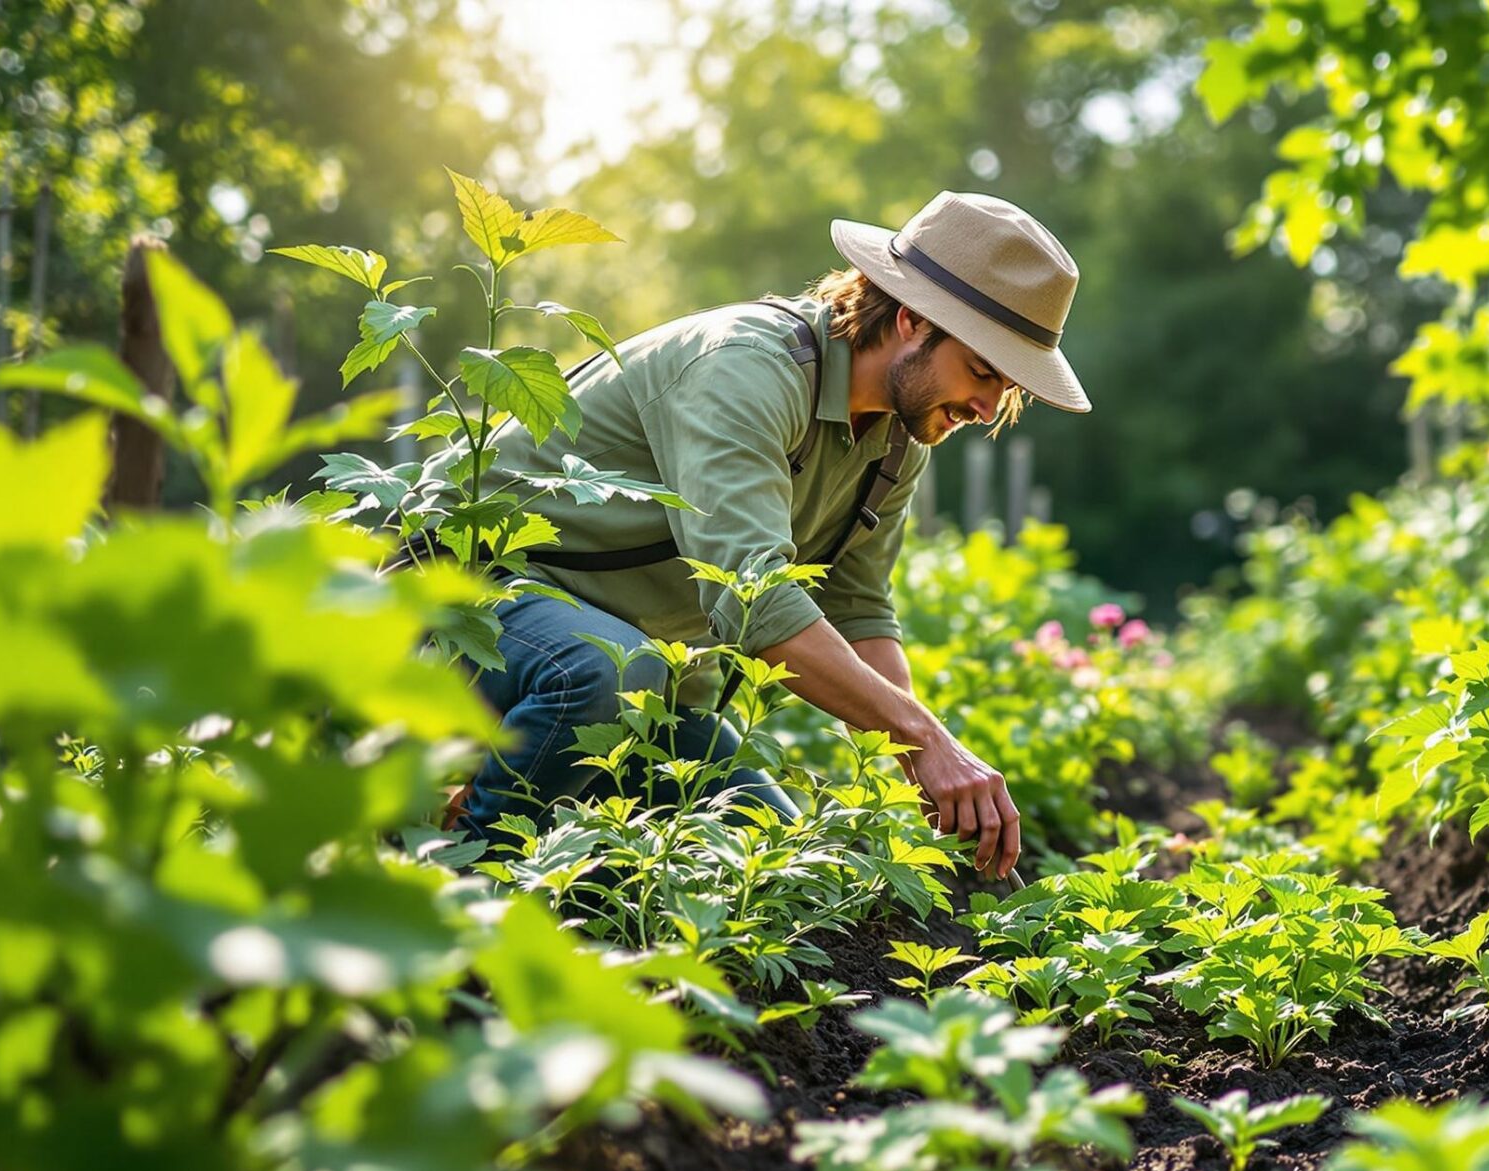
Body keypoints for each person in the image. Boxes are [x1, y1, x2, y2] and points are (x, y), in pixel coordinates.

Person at [431, 191, 1088, 880]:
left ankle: (516, 799)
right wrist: (923, 738)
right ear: (909, 320)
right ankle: (461, 888)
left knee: (771, 859)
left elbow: (859, 607)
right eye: (983, 371)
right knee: (606, 670)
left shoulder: (898, 440)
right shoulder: (747, 367)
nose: (987, 409)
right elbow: (753, 599)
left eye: (1008, 387)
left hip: (637, 683)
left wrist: (927, 777)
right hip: (467, 600)